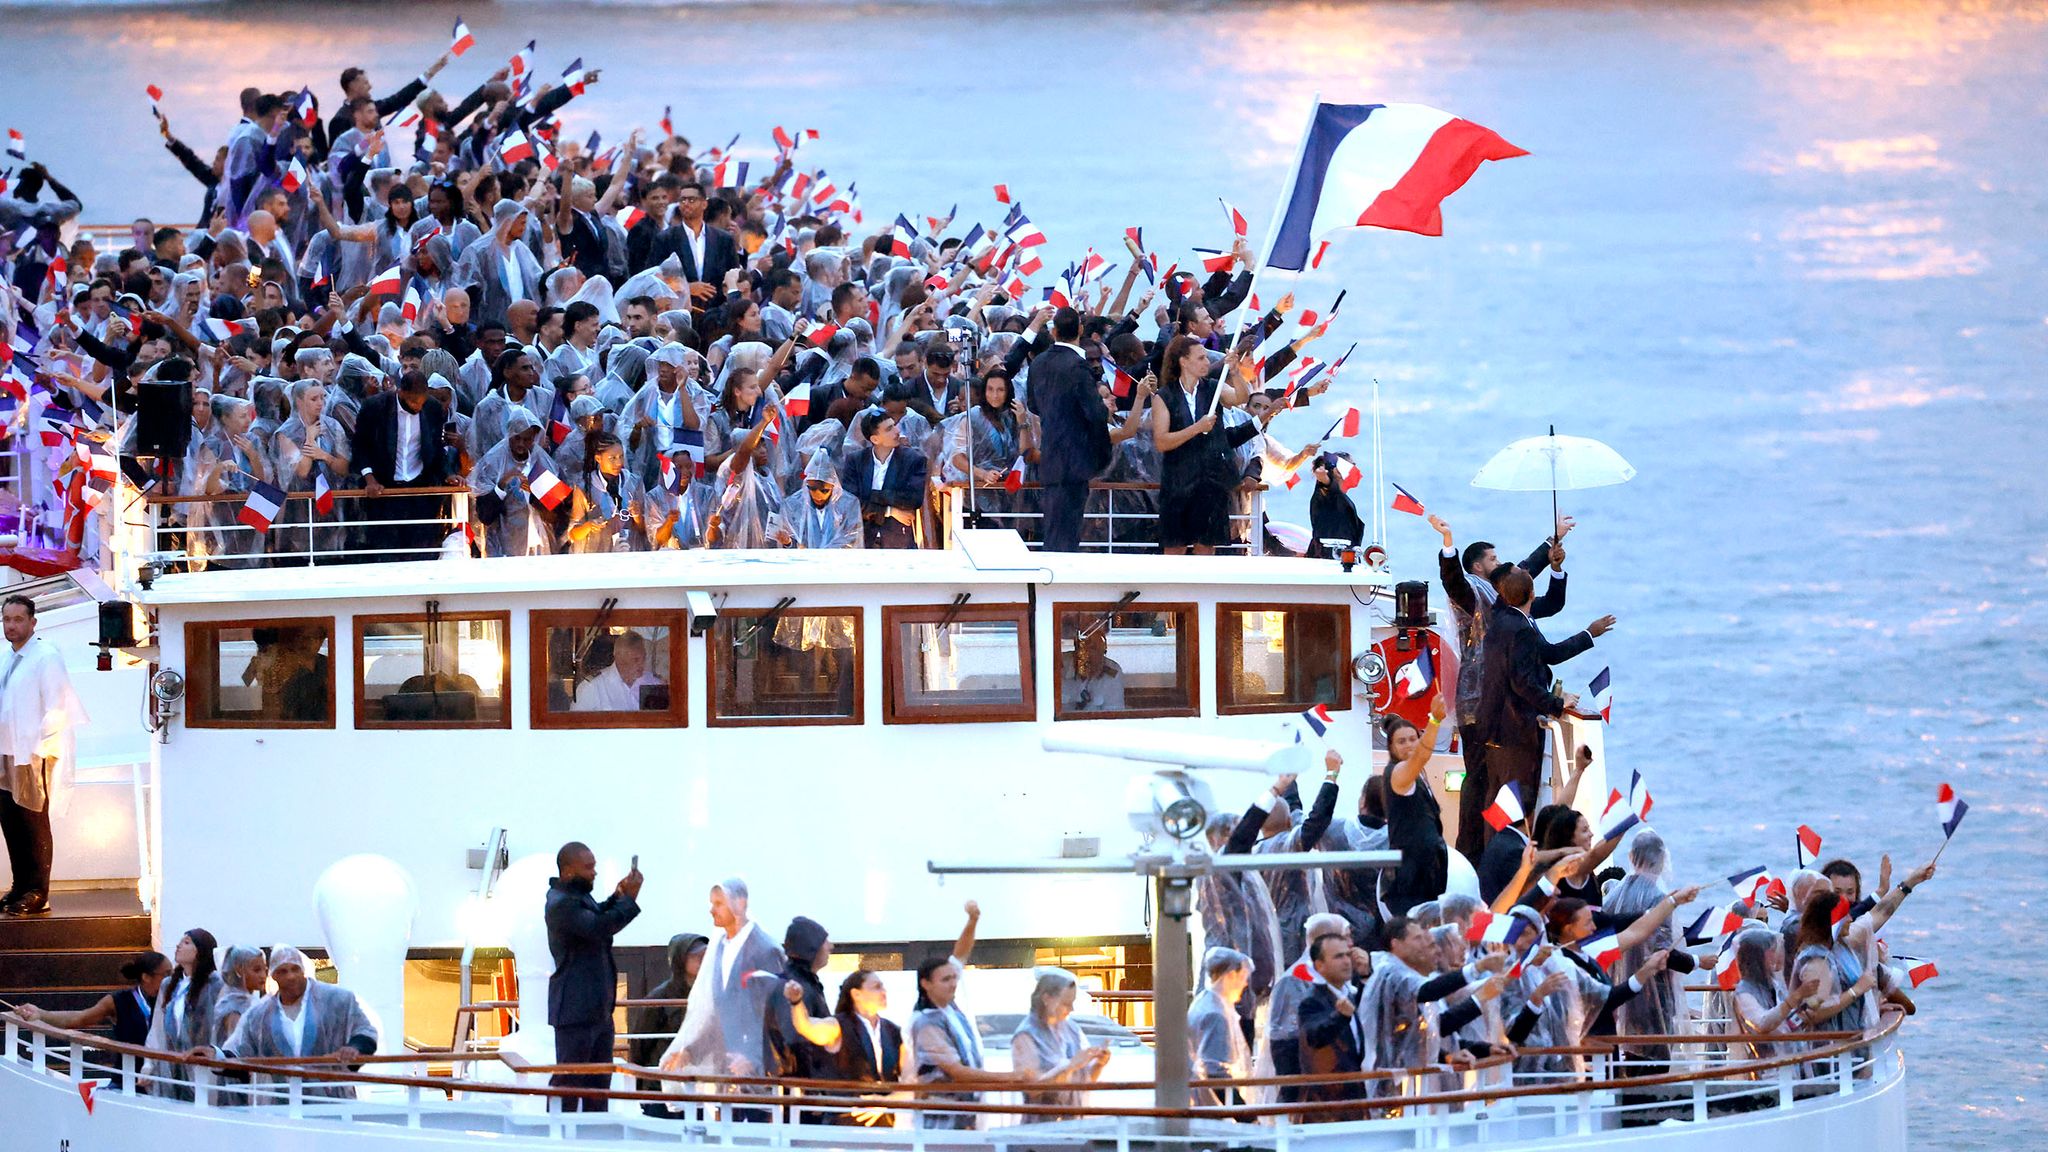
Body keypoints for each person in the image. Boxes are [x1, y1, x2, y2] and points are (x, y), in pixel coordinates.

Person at [1428, 514, 1579, 858]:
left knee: (1494, 787)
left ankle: (1490, 854)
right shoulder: (1469, 595)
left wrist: (1553, 541)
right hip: (1478, 704)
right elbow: (1452, 579)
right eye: (1493, 559)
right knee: (1479, 784)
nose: (1501, 563)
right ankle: (1475, 855)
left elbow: (1526, 576)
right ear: (1478, 568)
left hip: (1503, 709)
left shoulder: (1504, 602)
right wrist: (1448, 541)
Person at [1474, 567, 1606, 817]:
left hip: (1495, 730)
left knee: (1498, 805)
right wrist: (1556, 703)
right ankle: (1513, 854)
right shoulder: (1520, 629)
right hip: (1515, 732)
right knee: (1516, 805)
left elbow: (1549, 654)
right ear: (1532, 594)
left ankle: (1498, 852)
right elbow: (1522, 682)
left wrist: (1588, 634)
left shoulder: (1502, 618)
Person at [0, 594, 88, 918]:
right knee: (10, 821)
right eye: (7, 619)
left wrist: (39, 748)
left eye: (18, 619)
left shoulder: (46, 656)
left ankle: (38, 891)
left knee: (33, 822)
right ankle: (20, 885)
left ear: (33, 622)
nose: (11, 625)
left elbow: (58, 706)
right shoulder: (5, 655)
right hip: (5, 751)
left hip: (32, 753)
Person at [545, 841, 643, 1112]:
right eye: (588, 867)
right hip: (576, 1011)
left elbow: (597, 913)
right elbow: (599, 926)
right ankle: (560, 1139)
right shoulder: (560, 904)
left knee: (598, 1084)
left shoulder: (574, 896)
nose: (594, 872)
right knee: (570, 1081)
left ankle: (593, 1135)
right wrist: (629, 901)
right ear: (568, 871)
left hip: (595, 1009)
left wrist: (618, 896)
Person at [214, 946, 379, 1101]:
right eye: (283, 971)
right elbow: (240, 1051)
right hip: (280, 1106)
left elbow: (366, 1031)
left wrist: (354, 1048)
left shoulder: (338, 999)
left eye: (295, 969)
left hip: (332, 1103)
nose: (290, 976)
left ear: (303, 970)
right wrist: (215, 1055)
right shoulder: (258, 1014)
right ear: (273, 975)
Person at [1026, 308, 1111, 551]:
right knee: (1067, 534)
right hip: (1075, 461)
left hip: (1051, 457)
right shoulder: (1078, 366)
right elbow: (1095, 413)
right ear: (1081, 330)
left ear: (1054, 331)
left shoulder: (1039, 362)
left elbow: (1033, 404)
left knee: (1055, 529)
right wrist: (1103, 409)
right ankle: (1056, 586)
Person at [354, 369, 457, 558]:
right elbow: (360, 447)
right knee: (386, 553)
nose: (418, 406)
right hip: (384, 491)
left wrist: (448, 473)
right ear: (400, 392)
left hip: (419, 491)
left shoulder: (432, 408)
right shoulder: (374, 407)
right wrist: (370, 480)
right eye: (413, 401)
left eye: (422, 401)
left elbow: (436, 448)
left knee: (421, 552)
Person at [1379, 697, 1449, 917]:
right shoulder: (1397, 773)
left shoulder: (1418, 776)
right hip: (1407, 884)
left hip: (1426, 878)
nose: (1409, 745)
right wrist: (1435, 720)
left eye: (1412, 739)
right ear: (1391, 748)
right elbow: (1421, 756)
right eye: (1402, 741)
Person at [13, 950, 171, 1046]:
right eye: (167, 974)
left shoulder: (174, 999)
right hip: (129, 1077)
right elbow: (78, 1018)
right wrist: (41, 1014)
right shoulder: (119, 1000)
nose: (173, 978)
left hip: (168, 1077)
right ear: (146, 977)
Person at [628, 933, 706, 1117]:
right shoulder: (660, 998)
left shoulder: (709, 994)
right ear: (680, 959)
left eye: (706, 956)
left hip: (699, 1083)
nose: (703, 961)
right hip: (660, 1086)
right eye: (697, 956)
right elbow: (640, 1045)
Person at [1009, 968, 1110, 1107]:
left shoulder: (1072, 1029)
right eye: (1065, 1003)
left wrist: (1098, 1065)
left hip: (1074, 1118)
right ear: (1046, 998)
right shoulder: (1025, 1035)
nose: (1071, 1009)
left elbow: (1084, 1081)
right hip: (1042, 1122)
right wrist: (1070, 1066)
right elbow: (1031, 1088)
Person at [764, 916, 842, 1094]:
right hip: (799, 1092)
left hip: (796, 1087)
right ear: (811, 947)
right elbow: (796, 1040)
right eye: (824, 941)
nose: (830, 946)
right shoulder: (797, 986)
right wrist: (812, 1090)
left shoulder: (799, 982)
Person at [823, 969, 909, 1126]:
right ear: (856, 994)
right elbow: (807, 1027)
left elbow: (911, 1080)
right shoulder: (838, 1026)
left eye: (883, 987)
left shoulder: (893, 1031)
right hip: (845, 1118)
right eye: (877, 987)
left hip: (886, 1120)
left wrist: (885, 1102)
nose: (884, 992)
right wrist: (796, 1004)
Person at [143, 928, 221, 1101]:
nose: (178, 946)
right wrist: (149, 1064)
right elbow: (157, 1028)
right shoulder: (169, 984)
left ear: (200, 951)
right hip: (173, 1064)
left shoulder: (215, 985)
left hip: (203, 1067)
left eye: (186, 942)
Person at [840, 409, 926, 549]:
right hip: (861, 538)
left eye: (894, 425)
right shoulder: (855, 460)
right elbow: (851, 503)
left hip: (898, 539)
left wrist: (872, 496)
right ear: (875, 439)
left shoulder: (914, 459)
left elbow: (913, 499)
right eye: (889, 429)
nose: (897, 431)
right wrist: (889, 511)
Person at [1188, 947, 1254, 1107]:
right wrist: (1245, 1114)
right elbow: (1215, 1073)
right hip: (1208, 1103)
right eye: (1243, 977)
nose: (1245, 984)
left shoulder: (1204, 1001)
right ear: (1231, 975)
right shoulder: (1216, 1015)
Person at [570, 629, 665, 712]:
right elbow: (575, 725)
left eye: (643, 658)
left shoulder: (654, 683)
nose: (642, 664)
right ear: (619, 658)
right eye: (635, 659)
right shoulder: (593, 687)